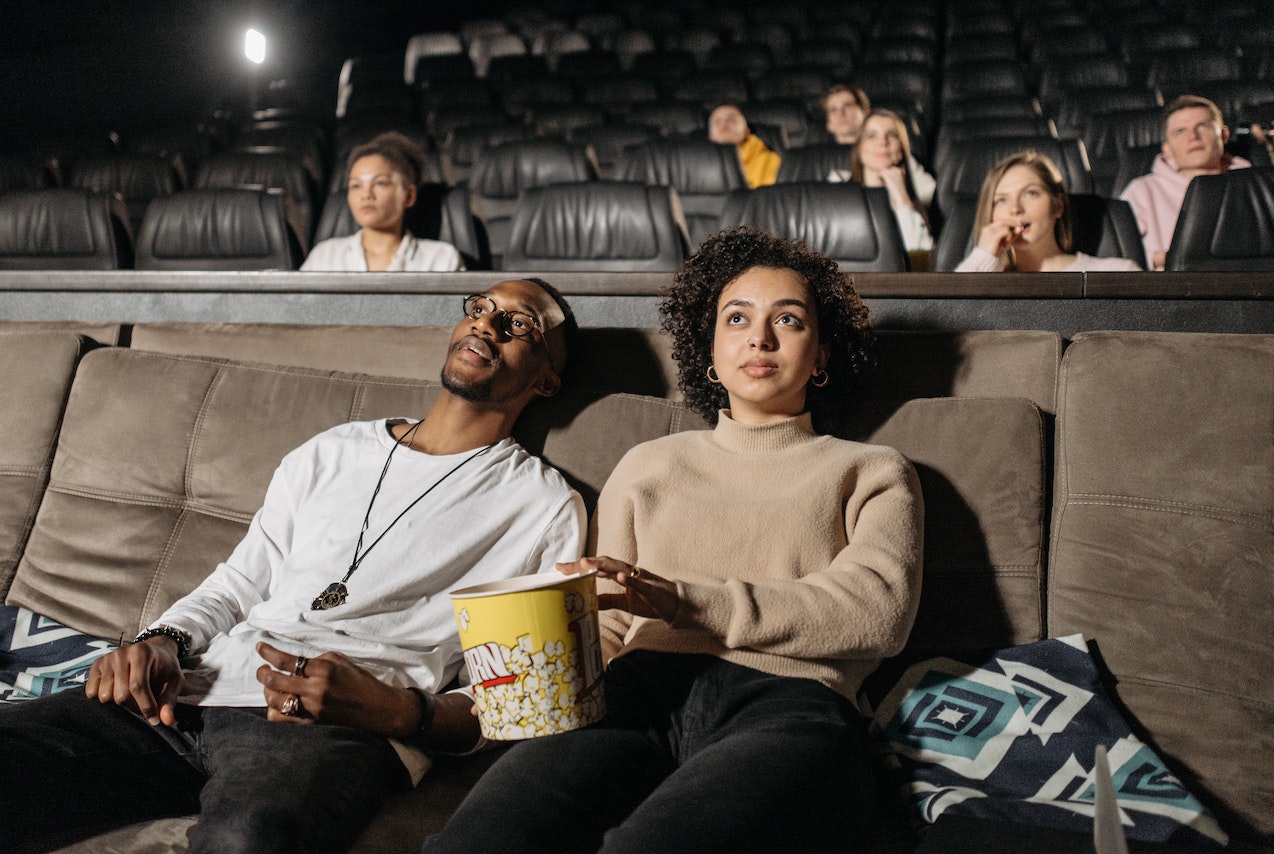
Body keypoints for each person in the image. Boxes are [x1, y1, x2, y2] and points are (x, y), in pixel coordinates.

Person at [0, 278, 587, 854]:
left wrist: (402, 712)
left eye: (520, 323)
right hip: (187, 691)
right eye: (481, 306)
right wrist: (161, 642)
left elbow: (519, 698)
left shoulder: (541, 505)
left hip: (330, 726)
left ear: (546, 380)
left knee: (247, 841)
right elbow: (240, 581)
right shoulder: (333, 451)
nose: (488, 322)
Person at [423, 227, 925, 854]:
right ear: (710, 353)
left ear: (821, 355)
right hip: (634, 694)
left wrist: (685, 600)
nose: (760, 338)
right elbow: (603, 625)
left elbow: (877, 614)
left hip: (790, 702)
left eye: (789, 321)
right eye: (736, 318)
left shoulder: (872, 469)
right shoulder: (649, 465)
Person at [1119, 95, 1251, 271]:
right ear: (1167, 148)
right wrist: (1166, 258)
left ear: (1224, 134)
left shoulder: (1253, 183)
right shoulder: (1142, 191)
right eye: (1180, 132)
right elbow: (1119, 256)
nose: (1193, 137)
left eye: (1202, 127)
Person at [302, 131, 464, 272]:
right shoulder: (324, 257)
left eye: (380, 183)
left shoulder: (441, 260)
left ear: (409, 196)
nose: (366, 194)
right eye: (356, 186)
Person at [956, 151, 1143, 272]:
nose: (1015, 209)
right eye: (1001, 200)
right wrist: (982, 256)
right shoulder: (984, 279)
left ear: (1058, 206)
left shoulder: (1117, 272)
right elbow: (947, 320)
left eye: (1030, 193)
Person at [850, 108, 934, 253]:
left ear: (901, 150)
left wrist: (901, 198)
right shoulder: (840, 194)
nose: (883, 142)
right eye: (871, 136)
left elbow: (921, 259)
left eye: (892, 135)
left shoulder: (915, 206)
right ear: (859, 148)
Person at [707, 104, 780, 189]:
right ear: (710, 136)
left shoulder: (770, 161)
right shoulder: (698, 163)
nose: (724, 124)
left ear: (746, 132)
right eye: (717, 121)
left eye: (732, 120)